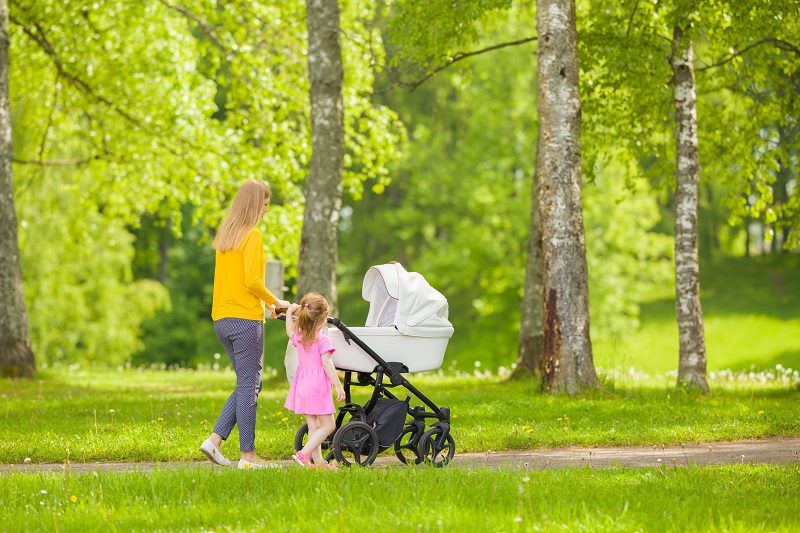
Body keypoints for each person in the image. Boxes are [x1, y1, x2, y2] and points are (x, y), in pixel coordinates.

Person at [199, 179, 291, 470]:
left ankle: (215, 440)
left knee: (247, 383)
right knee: (250, 386)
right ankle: (248, 456)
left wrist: (267, 305)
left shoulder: (226, 236)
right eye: (265, 205)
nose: (266, 210)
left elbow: (238, 282)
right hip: (244, 321)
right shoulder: (252, 235)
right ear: (254, 205)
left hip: (222, 319)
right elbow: (252, 281)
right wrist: (276, 301)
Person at [284, 293, 345, 470]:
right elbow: (326, 363)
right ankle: (303, 455)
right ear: (323, 319)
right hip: (317, 387)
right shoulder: (323, 340)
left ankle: (318, 464)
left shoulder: (299, 336)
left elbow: (289, 332)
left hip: (302, 384)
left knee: (314, 425)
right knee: (329, 425)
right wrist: (338, 385)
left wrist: (288, 313)